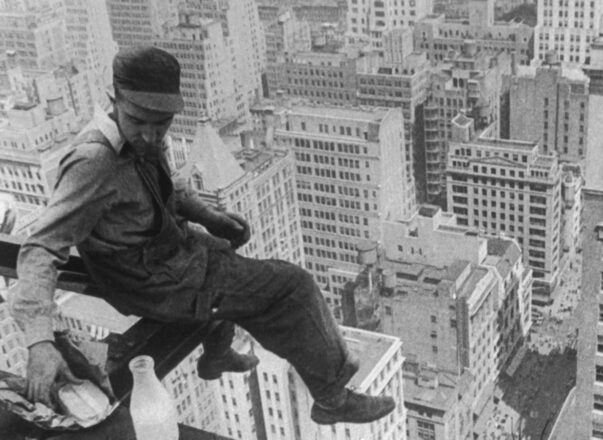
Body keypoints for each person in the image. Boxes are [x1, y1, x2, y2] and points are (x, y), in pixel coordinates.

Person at [9, 46, 395, 425]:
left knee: (225, 254)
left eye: (161, 123)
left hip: (169, 257)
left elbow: (164, 188)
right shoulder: (93, 162)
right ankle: (332, 398)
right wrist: (39, 340)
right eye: (139, 119)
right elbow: (42, 246)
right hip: (154, 281)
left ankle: (217, 353)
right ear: (114, 100)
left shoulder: (141, 140)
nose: (150, 134)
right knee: (293, 286)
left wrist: (209, 216)